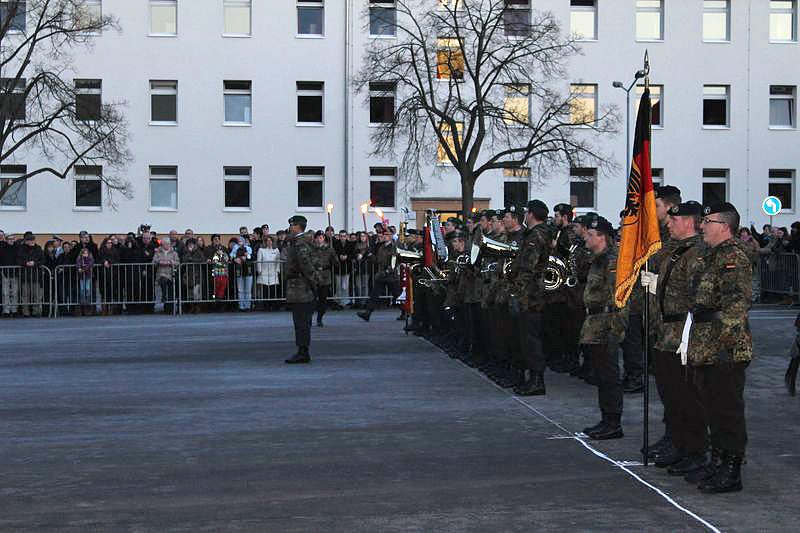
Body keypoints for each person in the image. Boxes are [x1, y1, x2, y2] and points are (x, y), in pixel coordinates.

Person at [687, 202, 753, 493]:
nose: (702, 226)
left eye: (708, 221)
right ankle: (717, 461)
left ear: (725, 227)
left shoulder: (733, 258)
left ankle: (731, 469)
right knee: (711, 407)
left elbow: (735, 307)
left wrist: (725, 347)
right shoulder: (710, 256)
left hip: (724, 346)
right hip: (706, 342)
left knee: (727, 410)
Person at [641, 201, 708, 475]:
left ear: (689, 222)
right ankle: (680, 447)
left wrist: (659, 286)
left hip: (683, 333)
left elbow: (696, 296)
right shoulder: (676, 251)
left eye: (674, 221)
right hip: (665, 334)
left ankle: (696, 450)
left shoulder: (698, 253)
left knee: (688, 398)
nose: (668, 224)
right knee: (672, 398)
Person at [580, 217, 628, 440]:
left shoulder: (612, 261)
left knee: (609, 376)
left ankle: (613, 422)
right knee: (601, 375)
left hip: (607, 323)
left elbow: (619, 297)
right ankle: (606, 418)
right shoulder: (597, 260)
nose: (585, 238)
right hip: (594, 323)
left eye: (590, 235)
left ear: (601, 237)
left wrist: (615, 329)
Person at [507, 200, 550, 396]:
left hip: (531, 294)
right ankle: (532, 378)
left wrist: (517, 290)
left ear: (531, 214)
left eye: (526, 212)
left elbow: (528, 267)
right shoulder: (534, 234)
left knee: (531, 339)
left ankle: (537, 380)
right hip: (530, 293)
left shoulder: (536, 235)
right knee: (526, 338)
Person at [283, 215, 318, 364]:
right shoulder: (300, 242)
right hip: (300, 287)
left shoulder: (300, 244)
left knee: (301, 321)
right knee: (302, 320)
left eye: (292, 225)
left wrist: (313, 283)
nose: (290, 228)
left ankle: (303, 351)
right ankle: (302, 350)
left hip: (301, 287)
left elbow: (306, 265)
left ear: (297, 226)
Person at [357, 230, 401, 322]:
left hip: (391, 276)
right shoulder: (381, 247)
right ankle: (368, 312)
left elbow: (394, 262)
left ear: (391, 236)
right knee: (374, 294)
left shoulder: (394, 247)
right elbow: (377, 261)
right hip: (381, 275)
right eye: (383, 234)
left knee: (397, 295)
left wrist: (387, 271)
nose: (384, 236)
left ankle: (405, 312)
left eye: (386, 235)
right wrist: (370, 255)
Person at [16, 232, 45, 318]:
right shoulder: (21, 249)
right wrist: (25, 263)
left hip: (36, 276)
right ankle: (26, 312)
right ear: (26, 241)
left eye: (32, 239)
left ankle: (36, 311)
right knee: (25, 295)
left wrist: (34, 263)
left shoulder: (38, 248)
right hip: (25, 275)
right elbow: (18, 260)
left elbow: (43, 260)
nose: (32, 241)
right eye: (29, 240)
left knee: (36, 295)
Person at [311, 230, 336, 326]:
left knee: (323, 299)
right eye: (318, 237)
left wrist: (333, 257)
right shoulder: (312, 249)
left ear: (324, 238)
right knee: (312, 298)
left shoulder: (329, 249)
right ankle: (310, 316)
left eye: (321, 237)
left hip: (325, 277)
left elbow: (335, 262)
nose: (319, 239)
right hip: (314, 276)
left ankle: (320, 318)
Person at [153, 237, 180, 314]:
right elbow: (154, 261)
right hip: (161, 273)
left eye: (168, 243)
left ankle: (170, 309)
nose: (167, 245)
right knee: (163, 279)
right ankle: (164, 296)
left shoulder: (174, 253)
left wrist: (171, 262)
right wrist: (160, 262)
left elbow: (178, 262)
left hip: (171, 274)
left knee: (171, 291)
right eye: (165, 244)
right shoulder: (158, 252)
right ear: (162, 244)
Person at [181, 238, 207, 313]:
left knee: (196, 292)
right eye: (189, 244)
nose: (191, 246)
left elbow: (202, 260)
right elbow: (184, 260)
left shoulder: (199, 252)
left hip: (197, 275)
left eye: (192, 244)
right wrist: (189, 254)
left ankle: (197, 306)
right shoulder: (185, 252)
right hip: (188, 275)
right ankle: (192, 307)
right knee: (190, 293)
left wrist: (192, 259)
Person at [256, 235, 281, 308]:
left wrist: (277, 270)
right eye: (267, 241)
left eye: (270, 241)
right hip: (264, 272)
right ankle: (266, 305)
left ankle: (272, 305)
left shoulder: (276, 250)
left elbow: (278, 261)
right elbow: (259, 261)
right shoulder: (261, 250)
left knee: (273, 289)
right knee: (265, 290)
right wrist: (259, 270)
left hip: (273, 272)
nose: (269, 242)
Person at [230, 237, 254, 312]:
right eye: (239, 241)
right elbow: (232, 256)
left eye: (241, 241)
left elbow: (251, 257)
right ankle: (241, 306)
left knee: (248, 290)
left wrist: (246, 257)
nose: (240, 242)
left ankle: (248, 306)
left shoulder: (248, 248)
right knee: (240, 290)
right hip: (239, 271)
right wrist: (235, 259)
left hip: (248, 270)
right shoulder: (235, 248)